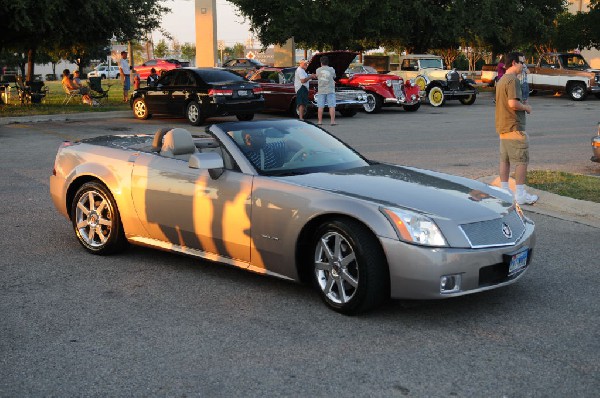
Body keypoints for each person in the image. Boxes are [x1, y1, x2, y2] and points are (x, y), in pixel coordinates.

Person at [495, 51, 538, 205]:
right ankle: (520, 194)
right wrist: (526, 107)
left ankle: (504, 191)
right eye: (522, 62)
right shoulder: (513, 80)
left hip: (503, 126)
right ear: (513, 63)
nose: (523, 66)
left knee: (505, 160)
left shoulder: (501, 80)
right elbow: (513, 104)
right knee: (521, 160)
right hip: (514, 126)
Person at [315, 56, 337, 126]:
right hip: (330, 90)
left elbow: (317, 76)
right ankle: (332, 121)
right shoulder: (331, 69)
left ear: (321, 63)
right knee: (332, 106)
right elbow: (334, 77)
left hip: (321, 90)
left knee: (320, 106)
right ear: (328, 62)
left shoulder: (318, 70)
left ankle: (320, 121)